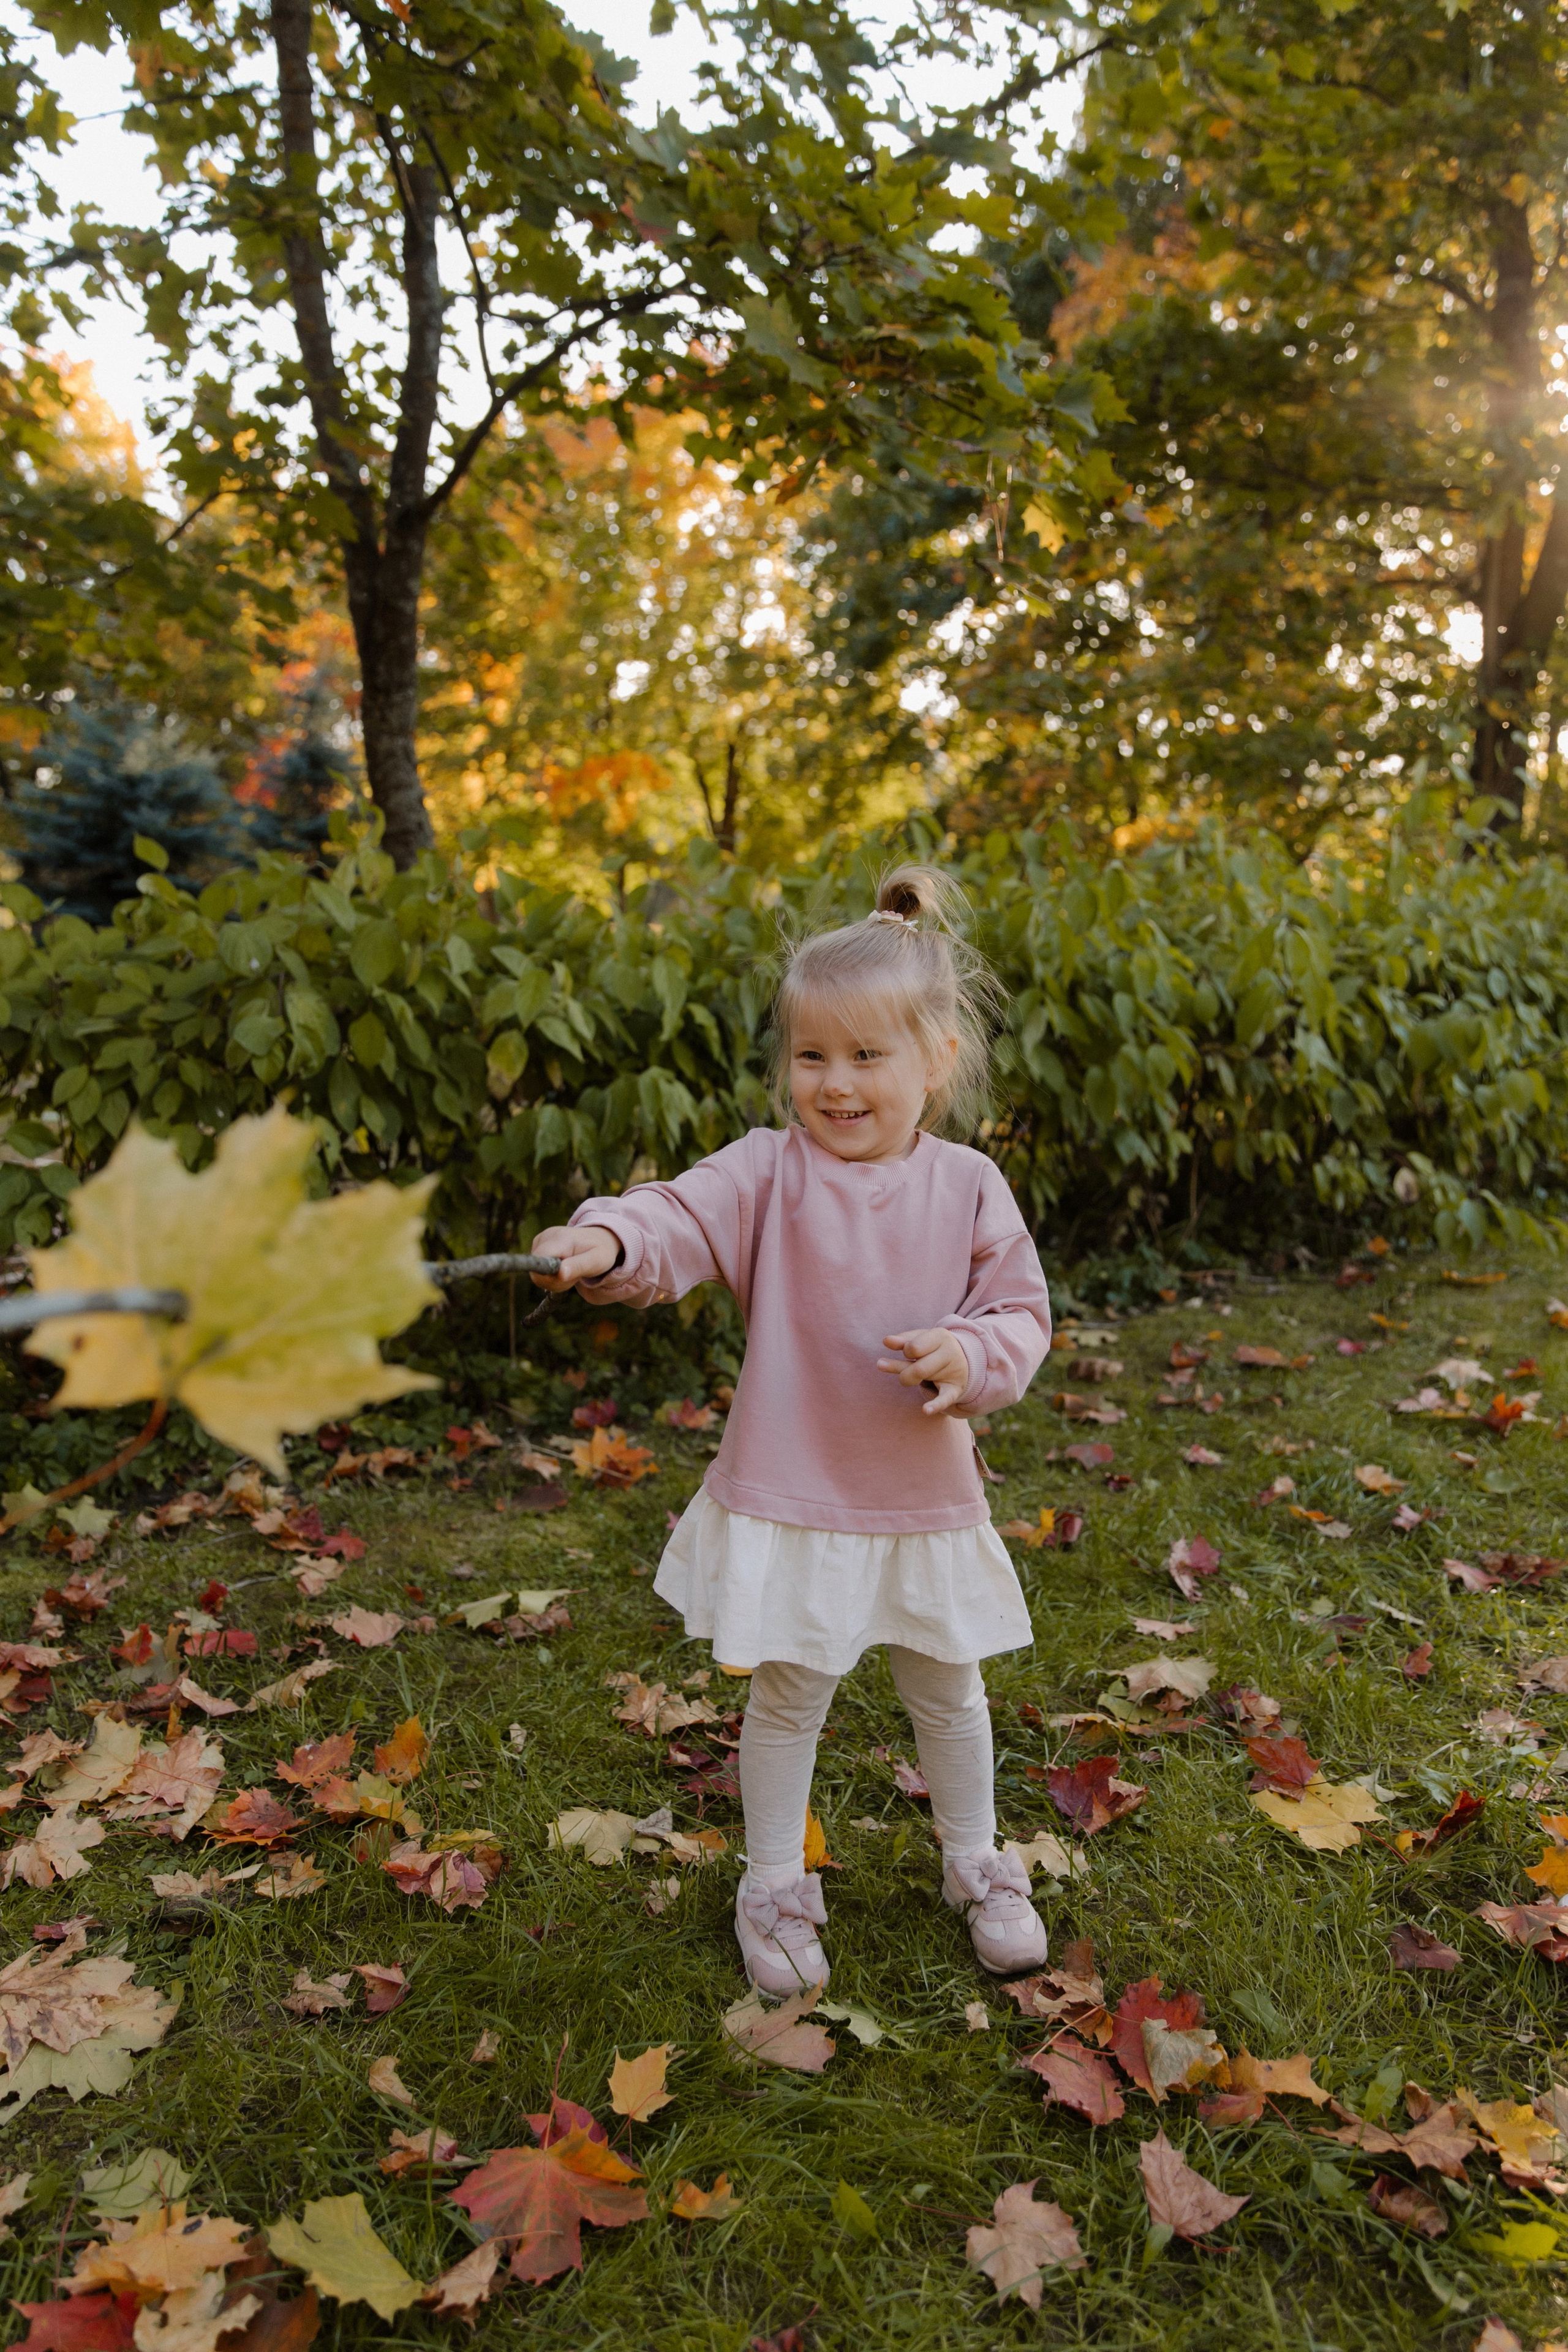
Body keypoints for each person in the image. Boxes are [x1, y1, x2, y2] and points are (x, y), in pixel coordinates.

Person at [530, 865, 1054, 1996]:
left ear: (935, 1062)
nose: (836, 1082)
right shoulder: (768, 1172)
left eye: (867, 1056)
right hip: (797, 1488)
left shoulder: (970, 1185)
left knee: (949, 1689)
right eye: (812, 1055)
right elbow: (675, 1213)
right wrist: (610, 1240)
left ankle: (976, 1859)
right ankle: (771, 1883)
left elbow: (1019, 1313)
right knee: (790, 1696)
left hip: (921, 1495)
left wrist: (972, 1355)